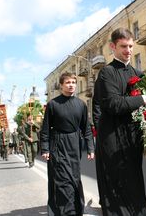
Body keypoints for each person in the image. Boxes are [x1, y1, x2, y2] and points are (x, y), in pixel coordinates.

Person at [93, 27, 146, 216]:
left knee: (134, 178)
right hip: (111, 136)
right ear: (113, 47)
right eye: (123, 46)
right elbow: (113, 104)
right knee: (116, 181)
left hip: (132, 137)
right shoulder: (107, 73)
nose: (128, 50)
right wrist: (143, 99)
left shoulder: (139, 73)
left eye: (130, 46)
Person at [40, 72, 95, 216]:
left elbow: (86, 128)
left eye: (73, 82)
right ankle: (65, 211)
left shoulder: (81, 105)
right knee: (62, 178)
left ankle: (76, 208)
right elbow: (45, 129)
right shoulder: (53, 104)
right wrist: (45, 148)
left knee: (74, 177)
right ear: (61, 85)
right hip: (58, 144)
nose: (71, 85)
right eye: (68, 82)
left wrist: (90, 148)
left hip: (75, 144)